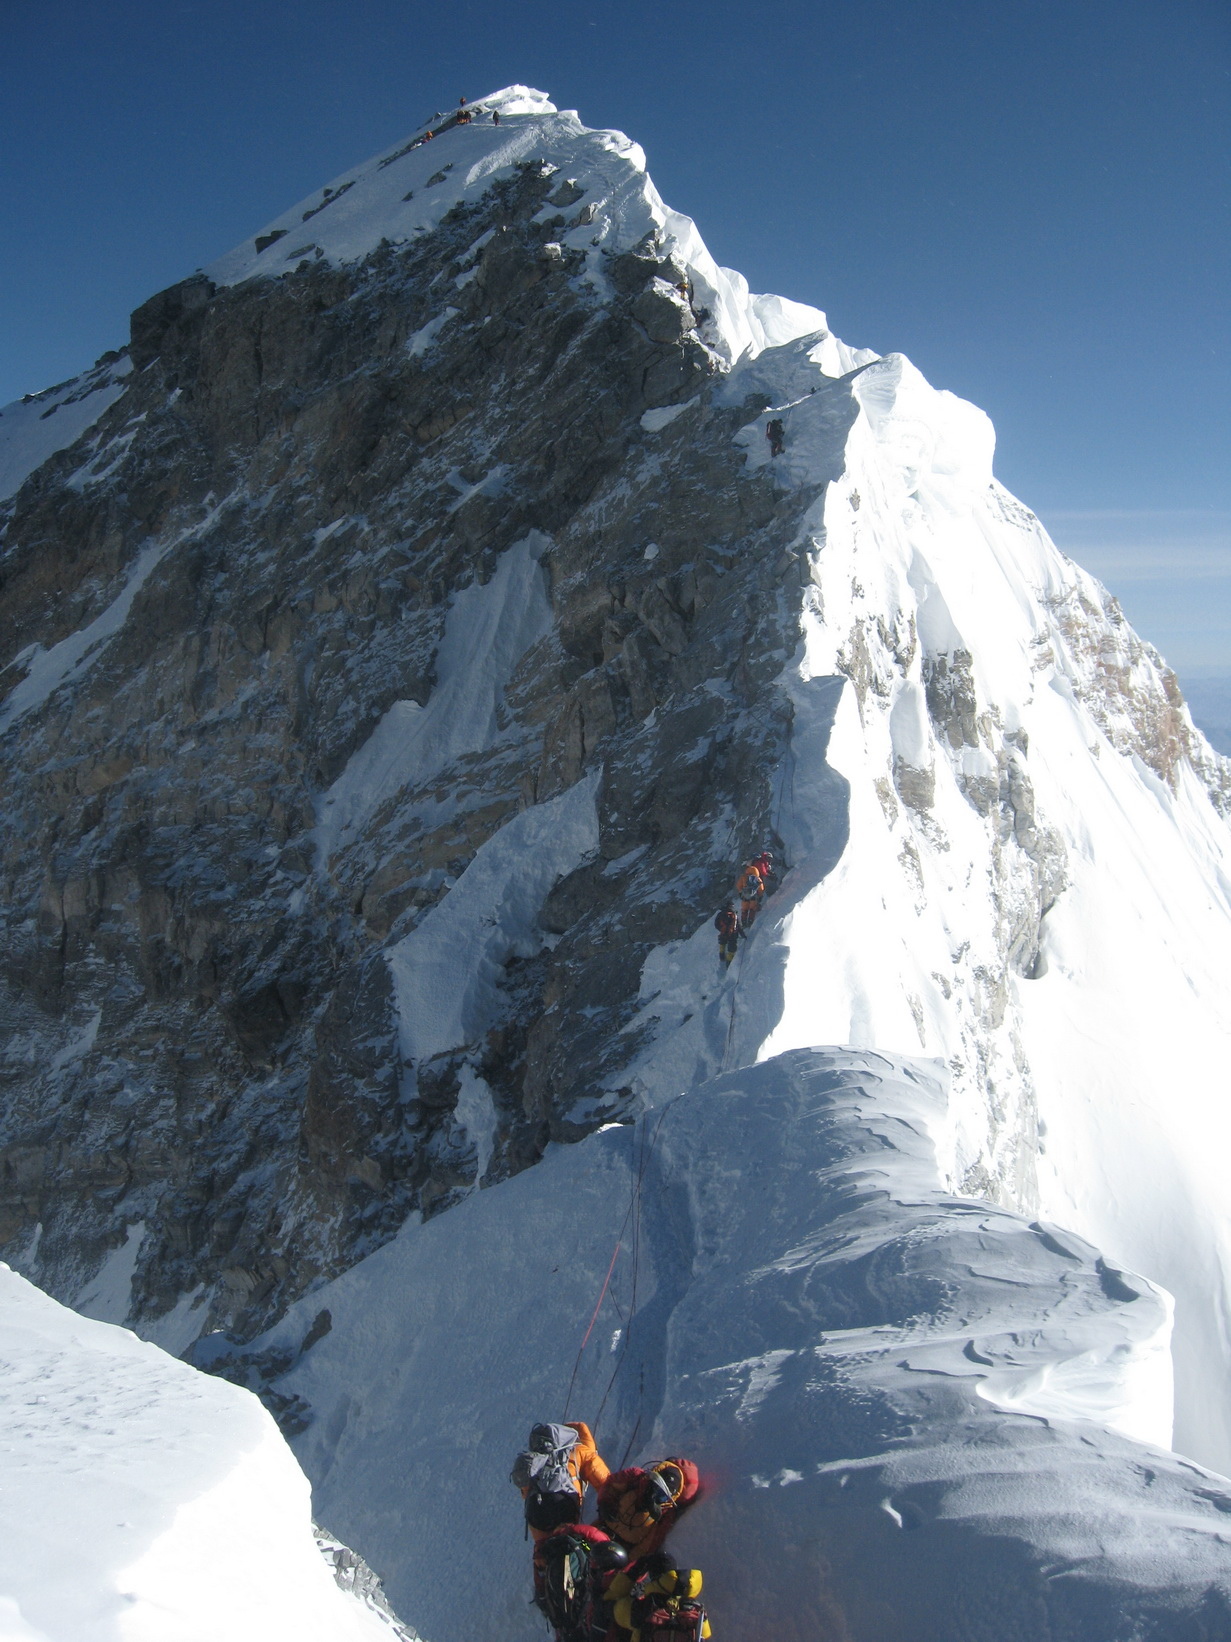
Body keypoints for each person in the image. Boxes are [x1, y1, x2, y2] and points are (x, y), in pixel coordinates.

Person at [511, 1420, 611, 1542]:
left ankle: (544, 1553)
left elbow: (525, 1491)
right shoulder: (580, 1451)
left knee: (544, 1547)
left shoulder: (534, 1459)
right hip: (563, 1504)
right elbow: (604, 1481)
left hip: (536, 1509)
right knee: (570, 1541)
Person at [595, 1457, 700, 1563]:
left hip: (621, 1551)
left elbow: (647, 1546)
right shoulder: (636, 1478)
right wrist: (605, 1503)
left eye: (662, 1495)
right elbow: (611, 1485)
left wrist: (626, 1564)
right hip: (600, 1529)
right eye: (655, 1487)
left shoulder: (665, 1514)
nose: (654, 1495)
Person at [734, 860, 764, 930]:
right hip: (754, 897)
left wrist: (741, 892)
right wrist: (760, 896)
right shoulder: (757, 879)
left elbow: (738, 885)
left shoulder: (744, 877)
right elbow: (761, 889)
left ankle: (744, 923)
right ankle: (750, 922)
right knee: (752, 909)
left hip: (745, 896)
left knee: (744, 909)